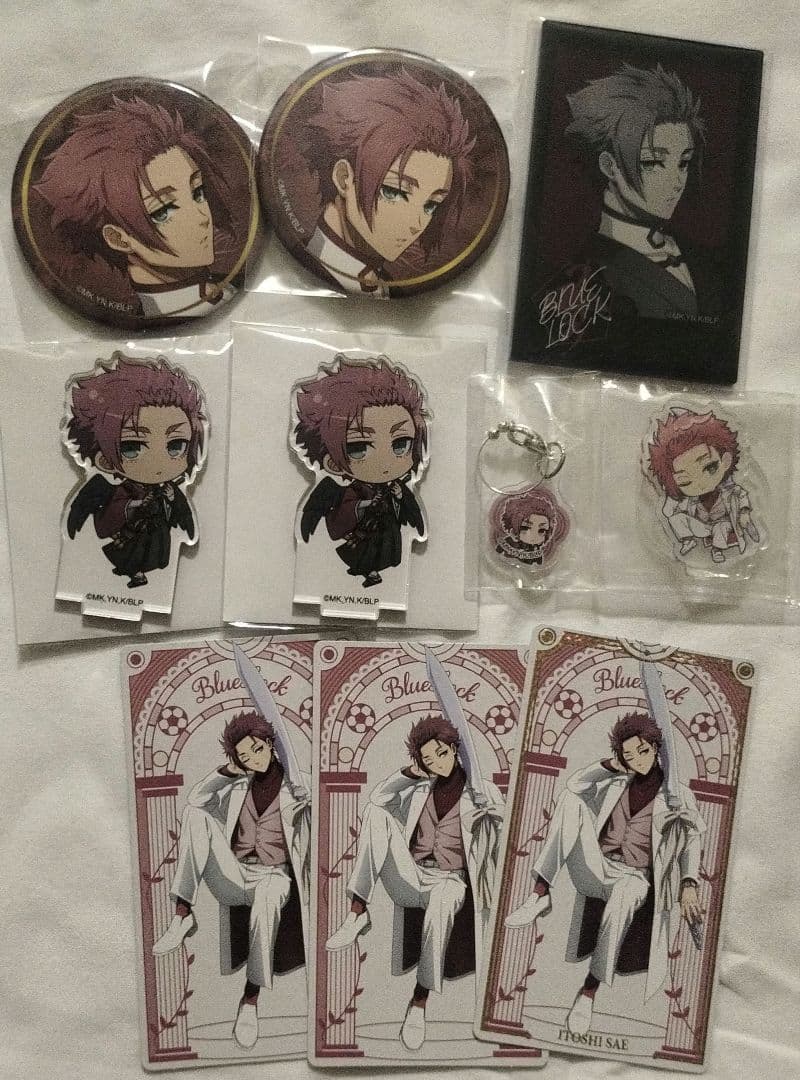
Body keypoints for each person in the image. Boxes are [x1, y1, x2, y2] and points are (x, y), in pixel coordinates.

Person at [504, 711, 705, 1037]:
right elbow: (575, 785)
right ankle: (540, 893)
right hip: (597, 866)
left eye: (643, 751)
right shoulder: (614, 782)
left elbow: (692, 839)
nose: (638, 760)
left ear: (656, 748)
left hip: (634, 877)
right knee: (571, 800)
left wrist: (689, 882)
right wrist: (614, 765)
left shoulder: (678, 795)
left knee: (625, 895)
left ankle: (588, 993)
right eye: (629, 755)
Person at [325, 715, 503, 1050]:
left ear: (455, 748)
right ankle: (357, 912)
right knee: (377, 815)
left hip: (451, 880)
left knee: (443, 902)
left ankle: (419, 1003)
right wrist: (413, 773)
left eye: (441, 753)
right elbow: (378, 799)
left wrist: (492, 814)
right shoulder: (419, 788)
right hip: (413, 874)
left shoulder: (483, 790)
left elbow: (506, 838)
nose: (437, 763)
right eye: (428, 759)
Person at [151, 711, 309, 1050]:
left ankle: (250, 1001)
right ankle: (182, 914)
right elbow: (195, 800)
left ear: (270, 743)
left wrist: (306, 802)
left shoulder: (299, 784)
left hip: (274, 875)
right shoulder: (237, 784)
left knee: (267, 899)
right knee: (196, 815)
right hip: (235, 872)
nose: (254, 759)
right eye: (245, 756)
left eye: (257, 749)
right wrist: (229, 770)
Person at [34, 94, 236, 317]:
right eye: (164, 211)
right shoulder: (151, 312)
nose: (202, 216)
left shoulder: (223, 292)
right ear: (118, 239)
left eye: (197, 192)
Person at [561, 63, 719, 320]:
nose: (677, 181)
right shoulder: (585, 274)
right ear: (609, 166)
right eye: (653, 162)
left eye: (684, 162)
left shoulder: (701, 256)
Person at [300, 68, 475, 294]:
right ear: (344, 178)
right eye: (394, 193)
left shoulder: (383, 283)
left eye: (431, 205)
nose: (416, 224)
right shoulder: (315, 263)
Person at [64, 353, 207, 588]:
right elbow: (109, 516)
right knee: (134, 552)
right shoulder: (119, 489)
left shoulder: (170, 488)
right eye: (132, 447)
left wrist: (171, 499)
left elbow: (179, 513)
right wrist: (135, 505)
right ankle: (134, 572)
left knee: (154, 552)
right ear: (104, 461)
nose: (158, 461)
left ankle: (145, 573)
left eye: (175, 445)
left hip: (156, 532)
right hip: (134, 531)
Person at [293, 356, 429, 588]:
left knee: (385, 548)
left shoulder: (397, 486)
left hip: (385, 528)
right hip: (365, 529)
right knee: (366, 551)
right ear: (332, 463)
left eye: (400, 444)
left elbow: (407, 512)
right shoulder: (346, 489)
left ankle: (378, 572)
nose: (385, 460)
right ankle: (367, 572)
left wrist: (398, 496)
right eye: (359, 447)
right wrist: (365, 505)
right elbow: (343, 510)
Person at [646, 408, 760, 563]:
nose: (700, 483)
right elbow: (668, 513)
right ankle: (687, 540)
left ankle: (717, 550)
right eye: (685, 481)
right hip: (704, 527)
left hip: (724, 524)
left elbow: (742, 496)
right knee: (677, 518)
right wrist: (672, 495)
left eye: (709, 468)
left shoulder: (729, 489)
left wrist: (744, 512)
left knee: (720, 527)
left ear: (725, 461)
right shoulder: (689, 499)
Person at [490, 487, 569, 566]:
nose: (534, 536)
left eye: (542, 530)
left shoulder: (537, 552)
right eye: (526, 528)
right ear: (513, 529)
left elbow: (538, 563)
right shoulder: (506, 544)